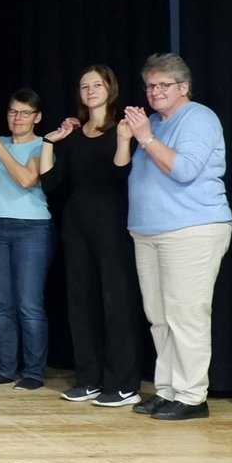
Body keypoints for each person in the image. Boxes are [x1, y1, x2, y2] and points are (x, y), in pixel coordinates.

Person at [115, 53, 232, 421]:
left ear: (184, 87)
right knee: (160, 317)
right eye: (149, 85)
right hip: (148, 231)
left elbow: (184, 170)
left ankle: (192, 396)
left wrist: (146, 138)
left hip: (192, 229)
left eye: (163, 85)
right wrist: (130, 137)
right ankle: (167, 390)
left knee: (185, 315)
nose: (154, 92)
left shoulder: (198, 118)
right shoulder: (151, 123)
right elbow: (125, 168)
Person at [41, 65, 148, 407]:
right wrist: (49, 142)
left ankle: (123, 384)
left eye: (97, 85)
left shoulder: (121, 128)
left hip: (112, 222)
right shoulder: (73, 134)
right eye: (84, 85)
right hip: (77, 224)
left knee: (116, 302)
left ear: (109, 89)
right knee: (81, 302)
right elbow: (50, 182)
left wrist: (123, 140)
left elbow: (120, 174)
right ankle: (89, 379)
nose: (90, 91)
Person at [0, 90, 53, 391]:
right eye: (12, 112)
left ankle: (33, 371)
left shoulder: (42, 145)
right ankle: (5, 368)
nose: (17, 118)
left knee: (29, 303)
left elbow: (26, 179)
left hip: (32, 227)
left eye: (24, 113)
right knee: (2, 303)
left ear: (37, 117)